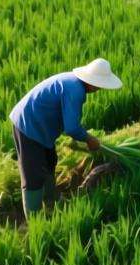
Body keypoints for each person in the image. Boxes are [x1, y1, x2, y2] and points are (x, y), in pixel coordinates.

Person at [9, 58, 123, 218]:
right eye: (100, 85)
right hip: (28, 125)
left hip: (42, 126)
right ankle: (33, 220)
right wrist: (89, 139)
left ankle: (51, 200)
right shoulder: (75, 90)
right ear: (93, 83)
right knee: (33, 174)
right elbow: (71, 127)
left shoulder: (73, 82)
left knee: (49, 161)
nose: (99, 89)